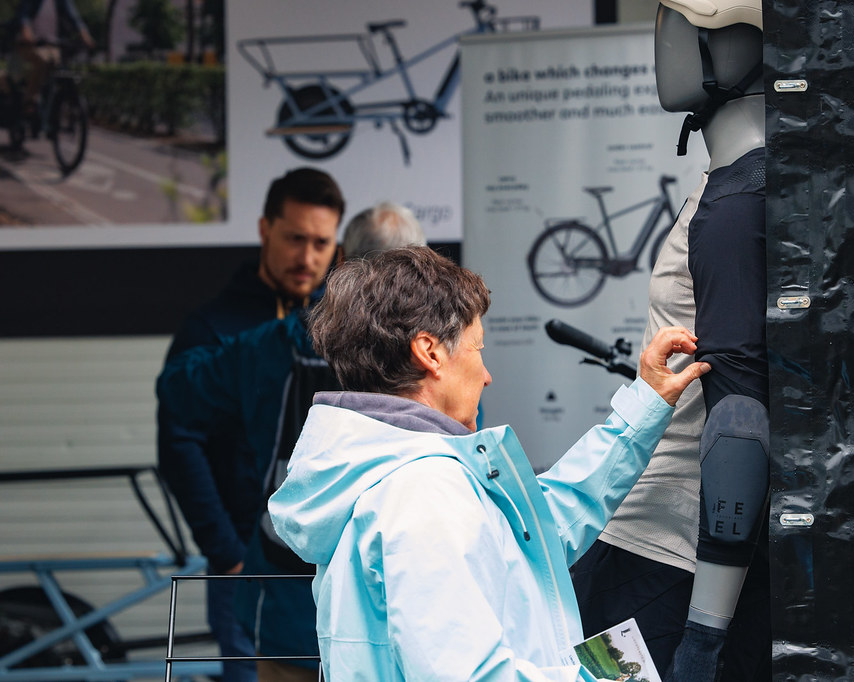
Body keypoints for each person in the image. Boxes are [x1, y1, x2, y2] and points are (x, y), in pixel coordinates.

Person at [265, 246, 711, 681]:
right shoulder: (422, 493)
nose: (487, 375)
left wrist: (644, 406)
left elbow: (535, 530)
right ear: (430, 352)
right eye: (477, 349)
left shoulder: (386, 474)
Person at [571, 2, 771, 680]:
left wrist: (703, 637)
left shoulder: (738, 203)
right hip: (652, 545)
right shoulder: (732, 186)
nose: (663, 47)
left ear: (736, 47)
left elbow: (739, 420)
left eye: (677, 28)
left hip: (664, 559)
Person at [157, 203, 426, 682]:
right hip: (399, 598)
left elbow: (178, 392)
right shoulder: (440, 358)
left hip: (286, 594)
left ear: (341, 260)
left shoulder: (276, 344)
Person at [157, 167, 344, 682]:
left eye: (321, 243)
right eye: (295, 238)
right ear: (265, 229)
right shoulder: (214, 328)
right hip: (247, 560)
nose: (307, 257)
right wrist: (228, 554)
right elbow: (178, 443)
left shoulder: (345, 329)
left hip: (327, 566)